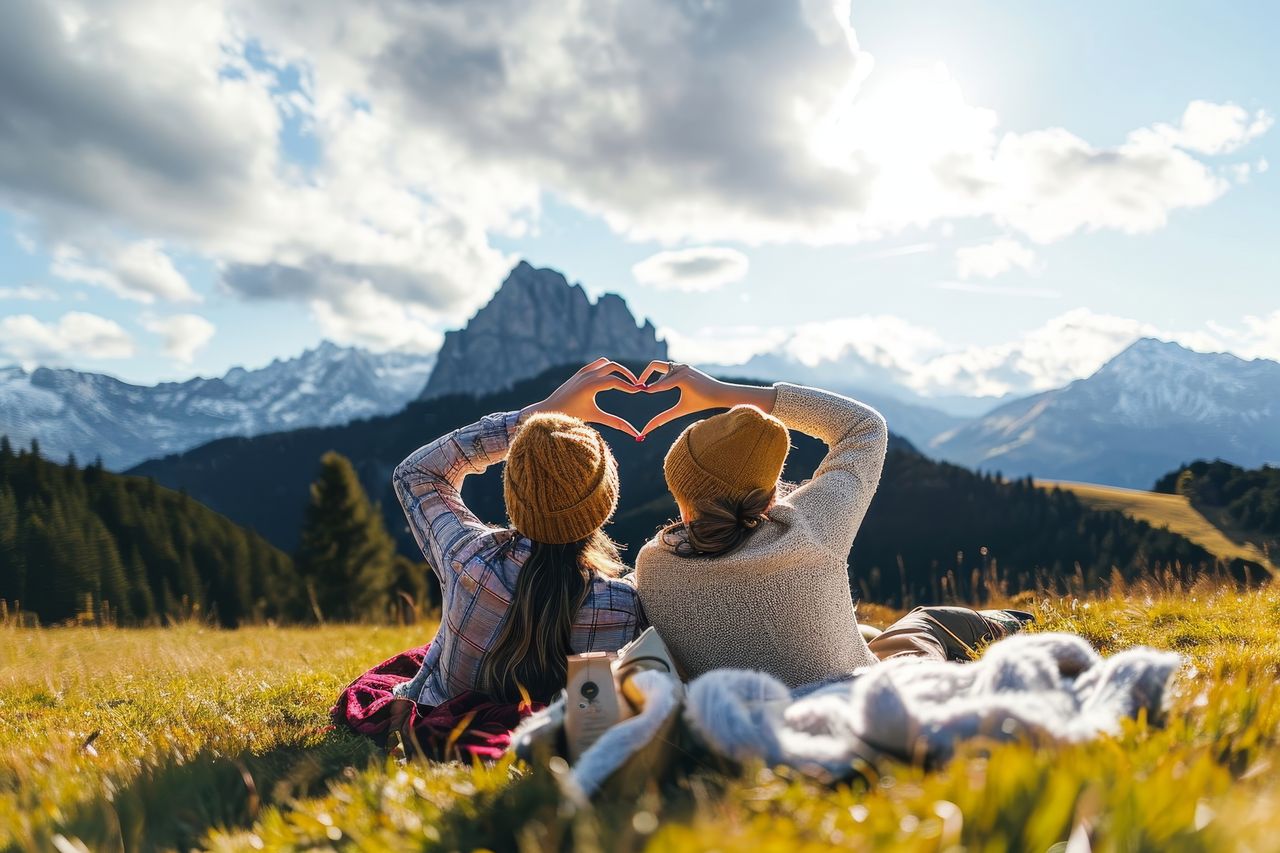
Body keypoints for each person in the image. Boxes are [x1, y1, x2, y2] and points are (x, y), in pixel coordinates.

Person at [632, 361, 1027, 688]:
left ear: (682, 496)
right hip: (861, 697)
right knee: (921, 623)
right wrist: (721, 392)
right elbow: (864, 426)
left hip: (746, 726)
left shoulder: (652, 565)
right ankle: (1015, 622)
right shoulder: (809, 526)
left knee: (869, 632)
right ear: (770, 491)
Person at [390, 358, 647, 707]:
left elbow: (416, 473)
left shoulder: (468, 560)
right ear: (607, 501)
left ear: (514, 493)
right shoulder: (623, 606)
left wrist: (535, 415)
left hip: (439, 713)